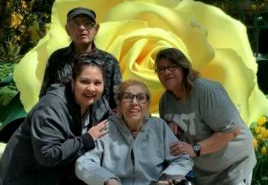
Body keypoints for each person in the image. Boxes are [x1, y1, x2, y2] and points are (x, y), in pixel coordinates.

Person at [0, 55, 112, 185]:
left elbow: (116, 124)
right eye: (84, 82)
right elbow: (48, 155)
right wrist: (86, 139)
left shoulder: (99, 103)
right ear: (72, 82)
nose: (91, 88)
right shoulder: (50, 108)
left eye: (97, 83)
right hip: (24, 179)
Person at [154, 48, 257, 185]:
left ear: (184, 68)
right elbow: (171, 137)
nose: (166, 72)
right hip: (203, 173)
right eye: (161, 69)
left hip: (232, 167)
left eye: (172, 67)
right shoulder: (165, 101)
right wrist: (170, 127)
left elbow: (233, 131)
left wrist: (194, 149)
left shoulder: (207, 91)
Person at [75, 80, 193, 185]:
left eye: (140, 98)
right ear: (119, 104)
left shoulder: (158, 126)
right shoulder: (106, 128)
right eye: (128, 97)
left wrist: (167, 178)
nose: (134, 103)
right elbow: (83, 163)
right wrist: (108, 180)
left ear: (147, 104)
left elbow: (182, 159)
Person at [40, 6, 122, 109]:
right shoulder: (57, 59)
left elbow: (117, 101)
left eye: (88, 23)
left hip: (99, 121)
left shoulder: (109, 61)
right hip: (61, 120)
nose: (82, 28)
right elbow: (45, 96)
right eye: (76, 24)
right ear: (67, 29)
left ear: (96, 29)